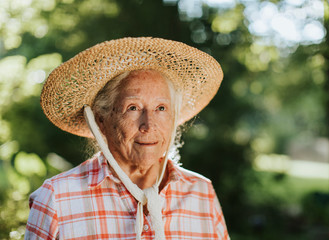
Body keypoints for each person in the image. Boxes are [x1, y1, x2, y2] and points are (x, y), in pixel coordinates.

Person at [25, 37, 229, 239]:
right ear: (101, 121)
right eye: (133, 108)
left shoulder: (201, 192)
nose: (148, 126)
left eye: (161, 108)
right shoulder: (56, 199)